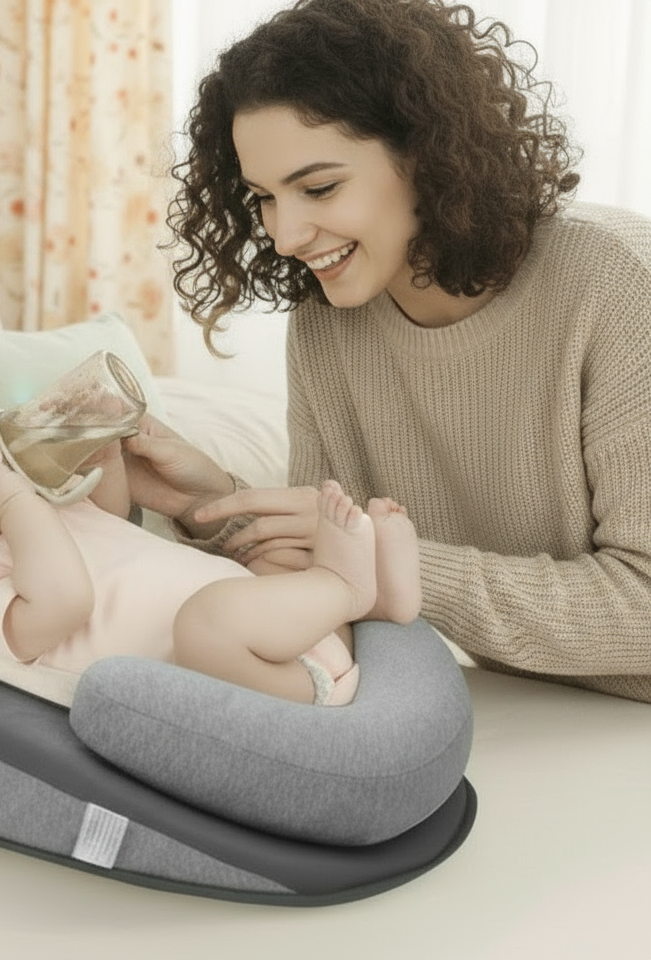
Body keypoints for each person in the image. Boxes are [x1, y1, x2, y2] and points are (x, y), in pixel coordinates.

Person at [124, 0, 651, 702]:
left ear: (429, 154)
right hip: (534, 711)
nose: (284, 236)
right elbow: (328, 582)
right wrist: (215, 505)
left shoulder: (617, 282)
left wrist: (386, 563)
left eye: (318, 187)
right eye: (264, 199)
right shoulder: (326, 326)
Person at [0, 417, 422, 708]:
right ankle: (343, 586)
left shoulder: (15, 526)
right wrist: (16, 502)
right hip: (264, 680)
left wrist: (101, 457)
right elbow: (65, 602)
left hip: (277, 625)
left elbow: (106, 524)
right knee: (209, 621)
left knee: (263, 556)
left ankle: (380, 602)